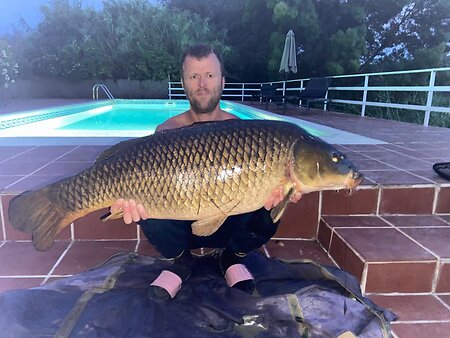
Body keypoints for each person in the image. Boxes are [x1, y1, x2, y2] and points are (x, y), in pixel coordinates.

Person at [110, 44, 302, 301]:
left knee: (273, 202)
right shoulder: (166, 132)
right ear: (183, 83)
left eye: (209, 76)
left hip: (228, 224)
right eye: (193, 77)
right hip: (181, 227)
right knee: (145, 196)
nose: (202, 84)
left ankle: (232, 258)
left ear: (222, 81)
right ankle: (180, 261)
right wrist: (126, 203)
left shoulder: (241, 132)